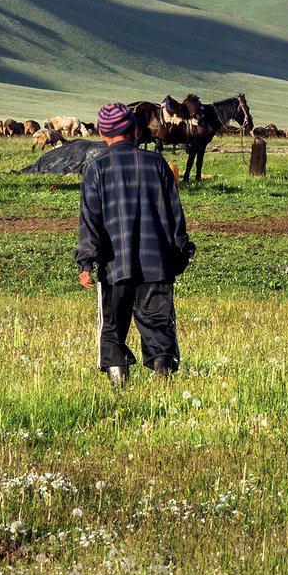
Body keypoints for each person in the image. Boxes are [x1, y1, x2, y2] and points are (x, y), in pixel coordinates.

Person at [75, 101, 196, 388]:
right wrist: (181, 251)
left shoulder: (96, 169)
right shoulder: (158, 164)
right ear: (133, 129)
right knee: (158, 323)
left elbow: (90, 221)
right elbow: (174, 215)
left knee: (113, 327)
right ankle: (161, 377)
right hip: (157, 264)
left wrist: (85, 262)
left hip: (115, 267)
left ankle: (118, 384)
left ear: (104, 134)